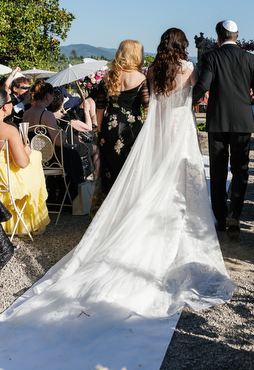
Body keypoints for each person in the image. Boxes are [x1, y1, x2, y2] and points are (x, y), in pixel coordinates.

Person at [0, 28, 235, 367]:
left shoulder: (151, 72)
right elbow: (192, 98)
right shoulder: (186, 70)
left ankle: (128, 223)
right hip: (175, 132)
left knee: (147, 183)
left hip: (149, 135)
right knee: (177, 188)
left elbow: (138, 102)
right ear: (184, 46)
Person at [193, 20, 254, 239]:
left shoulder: (211, 57)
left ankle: (220, 217)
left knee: (218, 171)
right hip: (243, 123)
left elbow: (204, 85)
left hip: (218, 121)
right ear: (237, 37)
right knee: (240, 169)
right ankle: (236, 214)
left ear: (218, 37)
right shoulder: (251, 59)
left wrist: (187, 101)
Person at [95, 39, 150, 197]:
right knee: (130, 170)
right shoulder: (140, 78)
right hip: (131, 130)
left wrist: (99, 132)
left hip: (109, 129)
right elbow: (147, 108)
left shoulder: (107, 78)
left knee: (110, 170)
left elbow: (100, 109)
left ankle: (108, 208)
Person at [23, 81, 84, 201]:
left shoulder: (26, 114)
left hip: (36, 156)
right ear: (47, 96)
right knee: (74, 155)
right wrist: (64, 135)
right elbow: (58, 142)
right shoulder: (47, 114)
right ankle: (70, 197)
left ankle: (54, 194)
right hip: (51, 158)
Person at [0, 89, 50, 235]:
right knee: (35, 157)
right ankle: (32, 222)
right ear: (4, 107)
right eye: (11, 102)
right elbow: (22, 163)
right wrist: (27, 152)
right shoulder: (9, 130)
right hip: (7, 181)